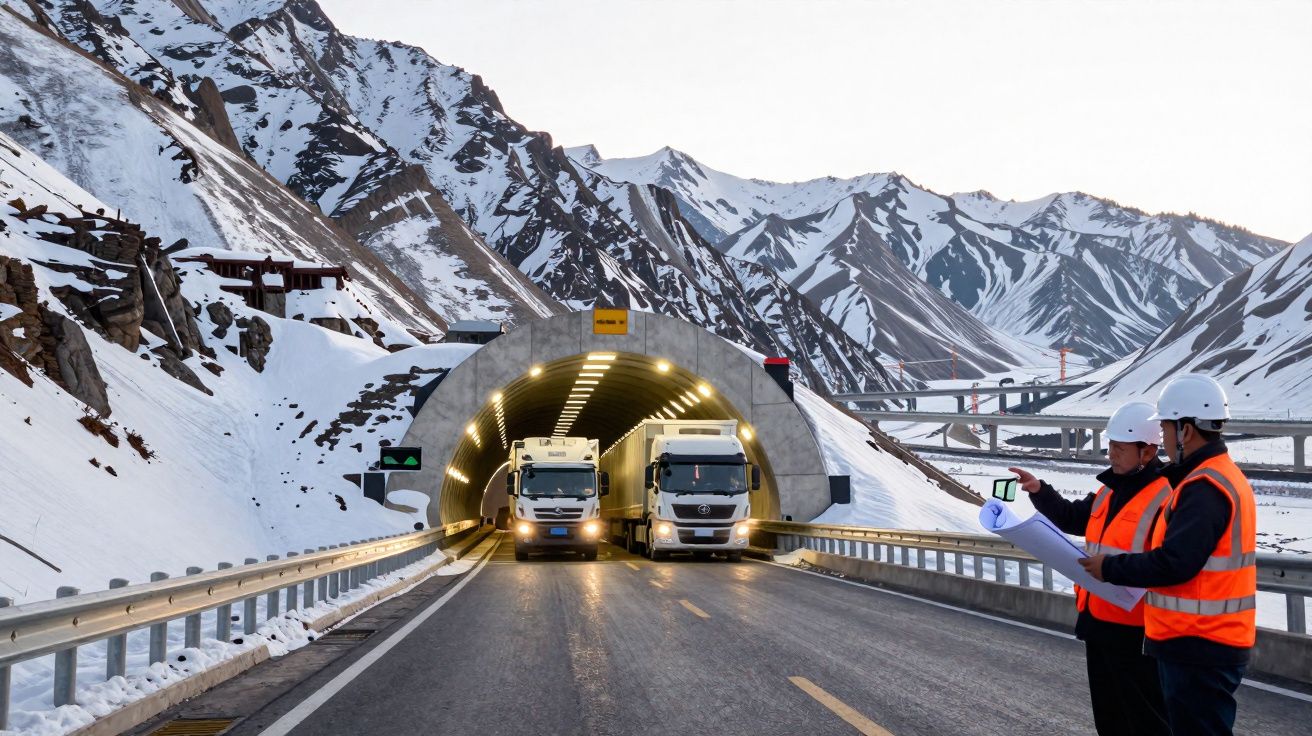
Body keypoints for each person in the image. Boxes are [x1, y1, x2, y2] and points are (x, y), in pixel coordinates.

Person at [1079, 375, 1256, 736]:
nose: (1162, 438)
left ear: (1185, 430)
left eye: (1165, 428)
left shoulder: (1204, 487)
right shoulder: (1214, 477)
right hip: (1199, 641)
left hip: (1199, 642)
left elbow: (1175, 562)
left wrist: (1109, 567)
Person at [1010, 401, 1171, 736]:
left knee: (1146, 720)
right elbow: (1073, 518)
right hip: (1098, 621)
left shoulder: (1166, 495)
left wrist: (1113, 568)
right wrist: (1040, 491)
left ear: (1147, 451)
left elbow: (1167, 560)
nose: (1111, 454)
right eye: (1110, 446)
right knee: (1110, 719)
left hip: (1138, 630)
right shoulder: (1108, 490)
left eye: (1120, 448)